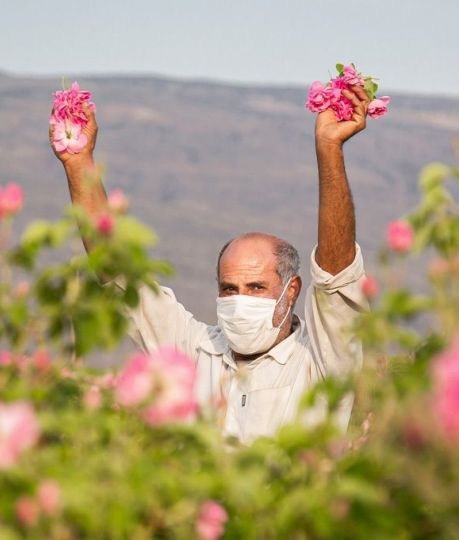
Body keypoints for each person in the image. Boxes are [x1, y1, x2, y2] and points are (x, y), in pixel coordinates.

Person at [52, 85, 372, 443]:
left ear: (291, 290)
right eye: (228, 289)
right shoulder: (194, 349)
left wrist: (329, 149)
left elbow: (336, 276)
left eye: (256, 288)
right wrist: (79, 163)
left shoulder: (321, 360)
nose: (240, 301)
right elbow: (118, 273)